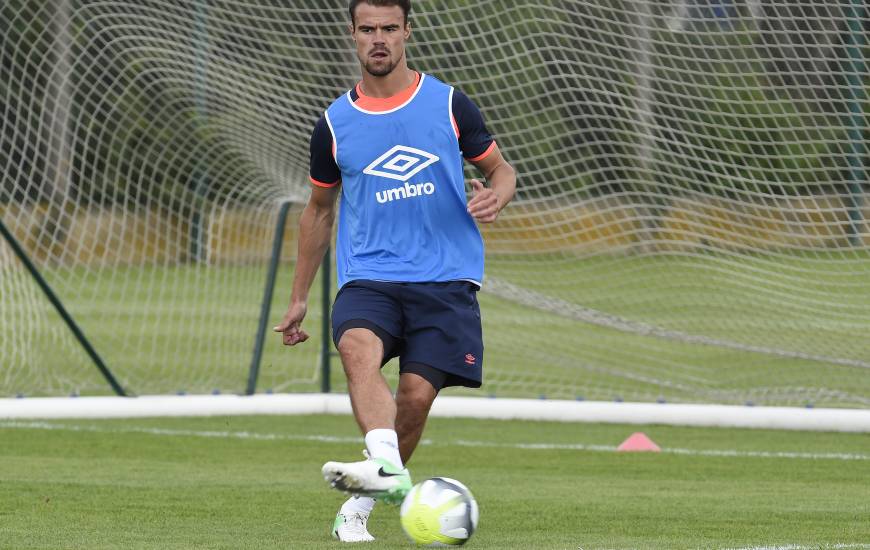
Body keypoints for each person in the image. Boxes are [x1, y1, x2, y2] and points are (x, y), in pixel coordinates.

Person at [274, 0, 516, 542]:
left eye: (388, 28)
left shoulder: (450, 103)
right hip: (370, 274)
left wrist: (496, 196)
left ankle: (359, 506)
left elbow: (500, 170)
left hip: (447, 278)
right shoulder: (333, 124)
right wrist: (298, 297)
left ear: (407, 31)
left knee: (414, 398)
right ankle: (383, 465)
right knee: (357, 348)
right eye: (367, 30)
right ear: (352, 35)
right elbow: (318, 210)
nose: (378, 39)